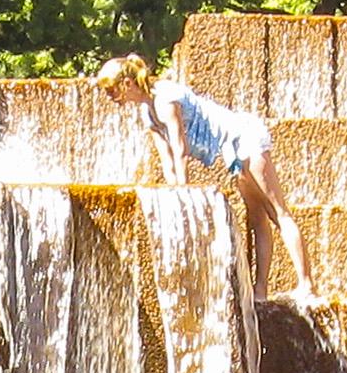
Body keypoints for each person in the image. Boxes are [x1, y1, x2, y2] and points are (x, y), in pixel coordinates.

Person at [97, 54, 313, 297]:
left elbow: (180, 150)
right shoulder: (148, 113)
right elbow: (167, 161)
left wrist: (183, 191)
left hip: (245, 137)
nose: (109, 97)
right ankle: (260, 289)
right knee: (257, 218)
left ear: (127, 84)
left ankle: (306, 285)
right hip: (231, 150)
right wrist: (176, 197)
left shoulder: (165, 98)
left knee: (277, 212)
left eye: (111, 90)